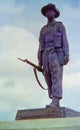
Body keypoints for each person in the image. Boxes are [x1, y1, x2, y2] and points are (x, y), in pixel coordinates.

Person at [37, 3, 69, 108]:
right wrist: (39, 62)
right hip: (45, 54)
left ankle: (56, 99)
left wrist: (66, 55)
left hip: (56, 53)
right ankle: (53, 98)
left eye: (50, 11)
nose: (48, 13)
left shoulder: (59, 25)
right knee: (47, 76)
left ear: (55, 13)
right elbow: (40, 46)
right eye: (46, 12)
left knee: (56, 76)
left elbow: (65, 41)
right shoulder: (43, 29)